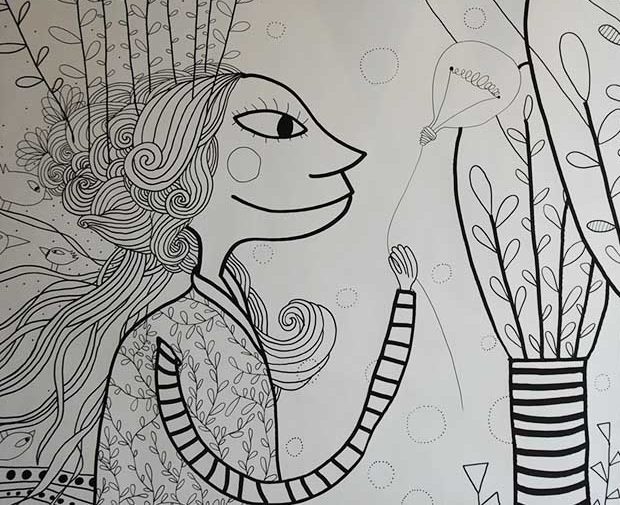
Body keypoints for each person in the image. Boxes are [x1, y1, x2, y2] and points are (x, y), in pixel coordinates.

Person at [1, 65, 418, 504]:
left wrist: (404, 303)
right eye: (280, 127)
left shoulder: (225, 309)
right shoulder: (165, 336)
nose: (344, 155)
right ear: (188, 168)